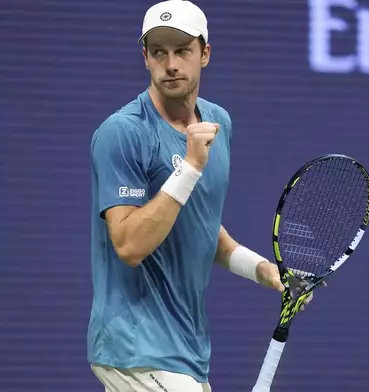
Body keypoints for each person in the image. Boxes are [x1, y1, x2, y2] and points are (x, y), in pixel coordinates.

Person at [87, 1, 317, 391]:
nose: (170, 63)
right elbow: (128, 244)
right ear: (145, 57)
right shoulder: (121, 133)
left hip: (186, 353)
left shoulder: (218, 124)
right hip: (135, 348)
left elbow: (199, 228)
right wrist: (189, 167)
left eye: (182, 50)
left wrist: (263, 270)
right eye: (158, 52)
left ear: (204, 54)